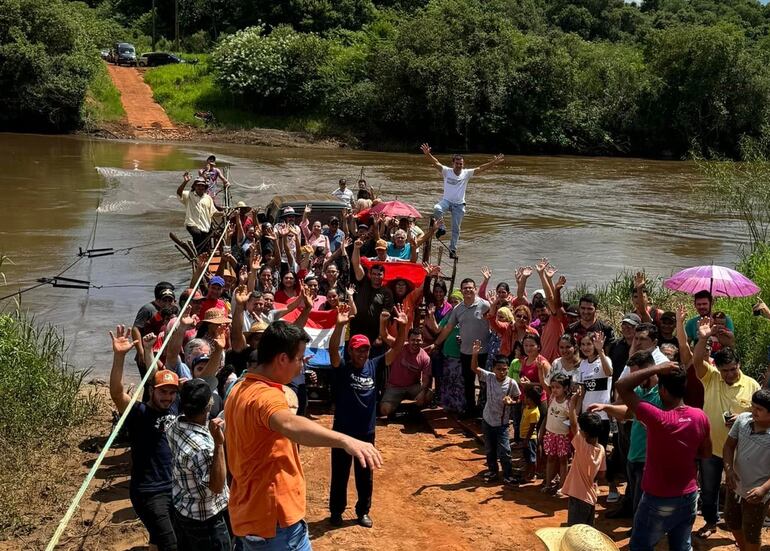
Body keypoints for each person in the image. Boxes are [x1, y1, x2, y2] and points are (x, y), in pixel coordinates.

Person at [224, 321, 383, 550]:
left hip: (249, 512)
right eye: (299, 359)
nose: (301, 367)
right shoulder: (265, 396)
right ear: (281, 359)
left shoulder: (237, 389)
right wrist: (344, 439)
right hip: (275, 520)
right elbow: (289, 423)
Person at [615, 361, 711, 551]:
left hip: (658, 497)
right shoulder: (700, 416)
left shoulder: (658, 418)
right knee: (681, 546)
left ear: (663, 390)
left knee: (640, 546)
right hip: (689, 495)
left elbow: (622, 386)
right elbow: (706, 452)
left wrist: (657, 368)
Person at [327, 304, 407, 528]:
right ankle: (336, 511)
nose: (363, 353)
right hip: (342, 433)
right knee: (340, 474)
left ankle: (363, 511)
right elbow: (333, 350)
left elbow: (398, 349)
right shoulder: (343, 368)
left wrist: (402, 327)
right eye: (359, 349)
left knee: (365, 475)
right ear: (351, 351)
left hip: (366, 433)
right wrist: (339, 326)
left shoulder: (374, 365)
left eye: (366, 349)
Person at [109, 325, 179, 551]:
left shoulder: (175, 408)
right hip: (149, 490)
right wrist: (120, 357)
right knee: (171, 543)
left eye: (171, 392)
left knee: (160, 539)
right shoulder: (139, 413)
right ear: (152, 390)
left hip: (174, 486)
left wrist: (148, 350)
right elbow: (117, 393)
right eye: (163, 392)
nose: (167, 397)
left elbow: (155, 372)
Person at [692, 320, 760, 539]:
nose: (729, 374)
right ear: (717, 369)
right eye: (725, 371)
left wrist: (744, 417)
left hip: (740, 451)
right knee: (709, 490)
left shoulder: (752, 385)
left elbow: (761, 415)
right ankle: (711, 522)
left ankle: (735, 524)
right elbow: (696, 361)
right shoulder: (711, 377)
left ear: (739, 364)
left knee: (738, 489)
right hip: (711, 447)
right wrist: (703, 338)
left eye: (733, 369)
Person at [166, 379, 230, 551]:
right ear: (209, 406)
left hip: (183, 509)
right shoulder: (204, 448)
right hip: (206, 520)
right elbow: (216, 486)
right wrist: (218, 444)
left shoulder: (173, 424)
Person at [420, 143, 505, 258]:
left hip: (459, 205)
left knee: (456, 229)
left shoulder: (466, 173)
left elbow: (481, 168)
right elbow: (435, 162)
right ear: (453, 163)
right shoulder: (446, 171)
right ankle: (442, 228)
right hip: (446, 201)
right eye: (457, 163)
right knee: (437, 208)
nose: (459, 165)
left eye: (461, 164)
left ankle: (452, 250)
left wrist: (493, 163)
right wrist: (427, 154)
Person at [434, 278, 491, 417]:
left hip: (484, 351)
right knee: (468, 382)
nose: (468, 290)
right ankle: (470, 410)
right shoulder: (458, 309)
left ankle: (485, 411)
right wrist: (436, 344)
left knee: (485, 382)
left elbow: (496, 319)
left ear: (475, 289)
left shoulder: (485, 305)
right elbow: (448, 328)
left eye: (470, 287)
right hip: (465, 352)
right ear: (461, 290)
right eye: (465, 288)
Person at [722, 389, 770, 551]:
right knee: (731, 520)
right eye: (753, 406)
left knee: (751, 531)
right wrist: (728, 469)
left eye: (759, 409)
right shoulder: (742, 420)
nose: (753, 411)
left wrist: (763, 489)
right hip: (735, 484)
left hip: (757, 493)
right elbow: (728, 446)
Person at [470, 340, 520, 484]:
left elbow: (518, 398)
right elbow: (474, 368)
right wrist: (475, 353)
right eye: (499, 369)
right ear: (493, 369)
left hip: (502, 423)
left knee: (505, 451)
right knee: (489, 449)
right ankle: (492, 471)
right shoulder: (489, 377)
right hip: (487, 420)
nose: (502, 372)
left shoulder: (512, 383)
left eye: (504, 369)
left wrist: (512, 401)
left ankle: (507, 474)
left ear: (508, 369)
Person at [560, 386, 606, 526]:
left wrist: (573, 402)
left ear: (584, 432)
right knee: (587, 530)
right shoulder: (601, 449)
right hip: (591, 497)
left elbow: (573, 425)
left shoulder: (583, 446)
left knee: (575, 531)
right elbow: (602, 475)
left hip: (578, 497)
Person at [379, 326, 433, 416]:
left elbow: (426, 379)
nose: (415, 343)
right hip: (394, 387)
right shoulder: (399, 346)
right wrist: (383, 321)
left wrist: (423, 393)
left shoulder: (425, 357)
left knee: (429, 394)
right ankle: (399, 408)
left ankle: (412, 408)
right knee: (385, 410)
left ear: (422, 340)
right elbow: (385, 336)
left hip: (412, 387)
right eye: (413, 340)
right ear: (408, 339)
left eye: (418, 340)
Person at [350, 239, 394, 347]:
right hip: (357, 328)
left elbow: (386, 316)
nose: (376, 276)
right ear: (370, 274)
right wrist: (356, 248)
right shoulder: (363, 282)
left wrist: (380, 336)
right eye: (374, 274)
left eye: (379, 274)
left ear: (383, 276)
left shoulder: (387, 293)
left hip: (374, 334)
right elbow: (356, 264)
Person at [575, 332, 613, 447]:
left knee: (600, 449)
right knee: (586, 449)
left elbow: (609, 372)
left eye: (589, 344)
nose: (586, 347)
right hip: (586, 414)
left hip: (602, 415)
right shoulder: (582, 364)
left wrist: (600, 351)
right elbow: (582, 392)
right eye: (583, 344)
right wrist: (576, 413)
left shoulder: (605, 359)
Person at [132, 283, 176, 380]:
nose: (168, 302)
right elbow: (136, 329)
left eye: (170, 300)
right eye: (165, 299)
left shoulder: (173, 310)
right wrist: (141, 351)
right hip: (148, 351)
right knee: (149, 384)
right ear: (158, 299)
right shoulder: (148, 309)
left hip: (164, 353)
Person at [540, 373, 571, 495]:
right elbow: (543, 383)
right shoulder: (552, 397)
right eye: (552, 387)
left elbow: (572, 420)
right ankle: (548, 483)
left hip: (562, 436)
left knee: (563, 461)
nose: (554, 390)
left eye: (558, 387)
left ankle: (563, 487)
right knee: (550, 458)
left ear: (565, 388)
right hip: (550, 434)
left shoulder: (568, 403)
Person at [177, 173, 218, 253]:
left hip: (205, 225)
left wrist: (223, 213)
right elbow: (179, 193)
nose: (200, 187)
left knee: (205, 242)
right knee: (197, 234)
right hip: (192, 223)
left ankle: (204, 254)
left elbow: (214, 212)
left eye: (202, 186)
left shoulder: (208, 198)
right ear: (194, 186)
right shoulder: (189, 195)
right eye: (198, 185)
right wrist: (185, 182)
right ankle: (199, 256)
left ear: (205, 187)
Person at [517, 385, 542, 482]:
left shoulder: (534, 412)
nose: (525, 398)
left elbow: (532, 428)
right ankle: (528, 472)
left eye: (526, 397)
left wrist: (526, 440)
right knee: (527, 457)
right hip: (525, 437)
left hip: (530, 438)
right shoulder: (527, 408)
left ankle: (533, 474)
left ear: (532, 400)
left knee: (531, 457)